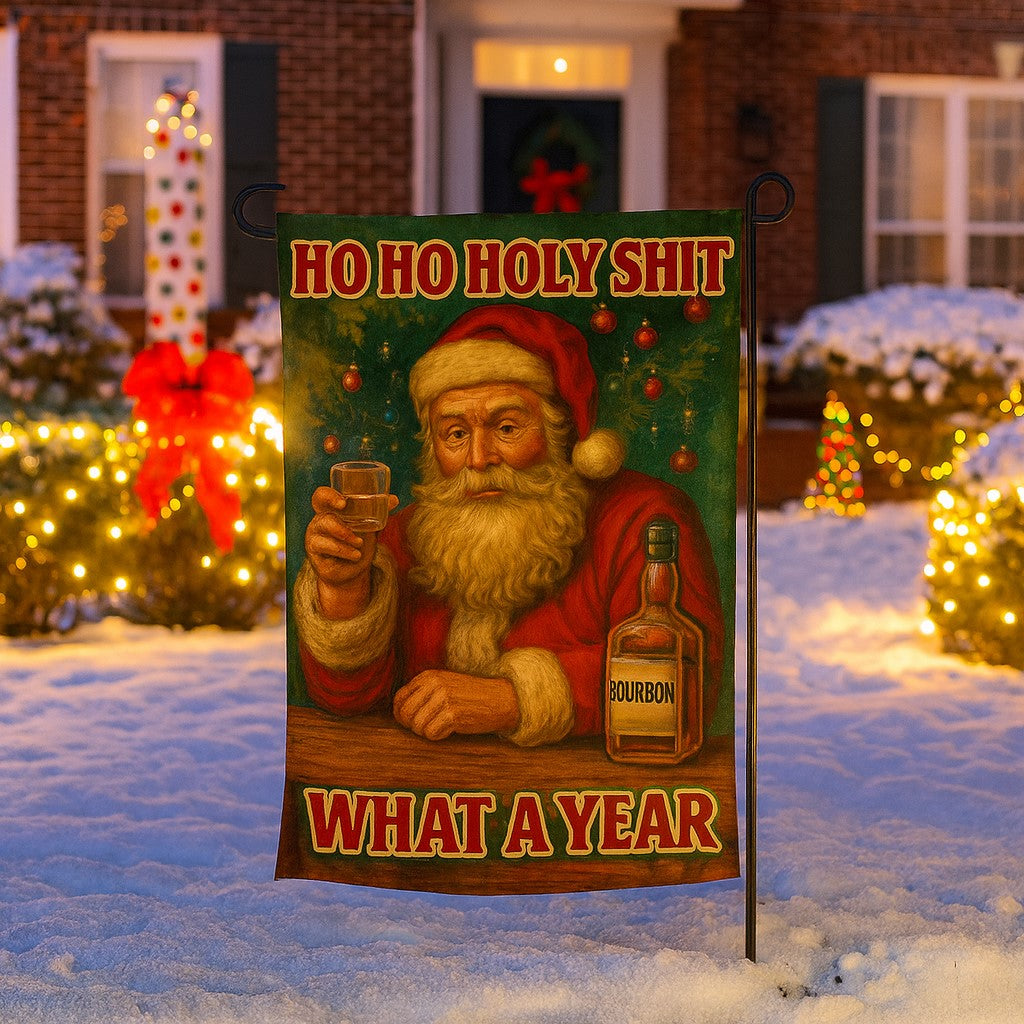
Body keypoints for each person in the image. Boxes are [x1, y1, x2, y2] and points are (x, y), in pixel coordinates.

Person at [293, 304, 724, 747]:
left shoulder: (645, 519)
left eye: (506, 427)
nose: (479, 458)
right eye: (456, 434)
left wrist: (515, 698)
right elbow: (346, 703)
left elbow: (683, 686)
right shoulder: (408, 536)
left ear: (559, 432)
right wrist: (343, 591)